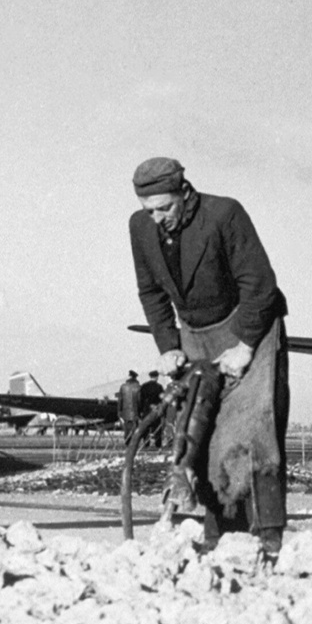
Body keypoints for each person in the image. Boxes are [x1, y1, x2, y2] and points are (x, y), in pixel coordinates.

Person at [128, 157, 290, 551]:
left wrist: (245, 346)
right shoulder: (141, 227)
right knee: (203, 429)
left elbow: (261, 285)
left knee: (254, 431)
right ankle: (220, 539)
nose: (157, 218)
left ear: (185, 193)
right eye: (149, 210)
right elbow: (151, 292)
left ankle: (268, 540)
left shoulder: (225, 214)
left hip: (249, 323)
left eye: (164, 208)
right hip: (195, 333)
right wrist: (168, 346)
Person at [139, 369, 165, 447]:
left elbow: (141, 399)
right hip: (156, 408)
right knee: (157, 427)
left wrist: (140, 410)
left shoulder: (144, 386)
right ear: (157, 377)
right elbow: (162, 399)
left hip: (146, 409)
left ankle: (146, 443)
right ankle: (158, 444)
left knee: (146, 427)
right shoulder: (159, 387)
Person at [118, 371, 142, 442]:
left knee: (127, 427)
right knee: (135, 428)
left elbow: (120, 400)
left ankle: (127, 440)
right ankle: (132, 442)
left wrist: (119, 411)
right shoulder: (138, 387)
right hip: (135, 411)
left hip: (125, 411)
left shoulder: (123, 387)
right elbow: (139, 400)